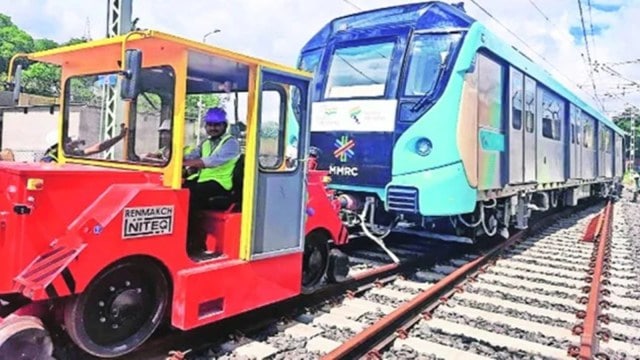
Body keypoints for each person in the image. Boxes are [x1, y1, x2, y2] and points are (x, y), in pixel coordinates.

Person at [183, 107, 241, 255]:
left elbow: (212, 161)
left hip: (221, 184)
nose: (212, 128)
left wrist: (186, 163)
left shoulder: (231, 143)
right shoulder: (205, 143)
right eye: (209, 124)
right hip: (203, 181)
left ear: (224, 126)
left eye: (217, 125)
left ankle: (196, 244)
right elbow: (191, 156)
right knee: (177, 190)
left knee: (190, 197)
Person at [40, 124, 128, 163]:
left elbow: (98, 148)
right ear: (59, 145)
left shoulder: (68, 155)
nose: (71, 143)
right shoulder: (48, 161)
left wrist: (119, 137)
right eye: (68, 141)